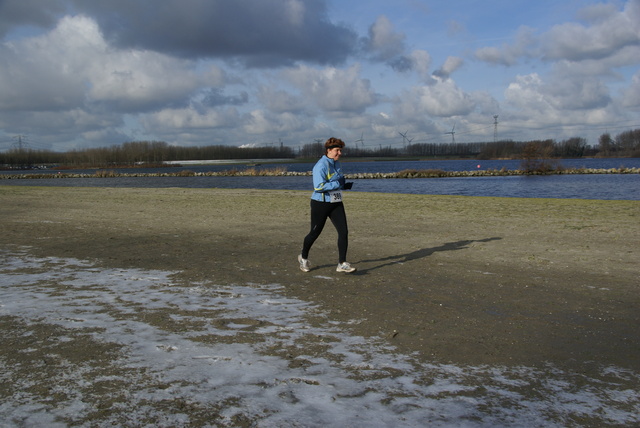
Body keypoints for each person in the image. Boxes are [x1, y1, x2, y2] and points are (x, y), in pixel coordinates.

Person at [299, 137, 356, 273]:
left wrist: (344, 185)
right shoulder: (321, 165)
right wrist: (338, 184)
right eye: (337, 150)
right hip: (320, 203)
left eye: (341, 151)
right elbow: (319, 186)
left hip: (335, 202)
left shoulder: (336, 163)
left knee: (344, 231)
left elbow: (336, 180)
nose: (340, 153)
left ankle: (342, 263)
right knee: (314, 233)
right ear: (329, 150)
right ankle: (303, 258)